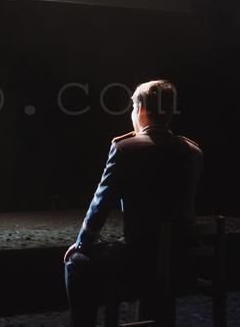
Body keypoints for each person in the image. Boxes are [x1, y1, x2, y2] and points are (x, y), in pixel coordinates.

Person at [63, 80, 202, 327]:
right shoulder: (193, 152)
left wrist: (82, 243)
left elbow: (101, 203)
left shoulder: (126, 149)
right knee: (155, 256)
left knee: (76, 264)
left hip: (139, 264)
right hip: (183, 263)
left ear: (141, 109)